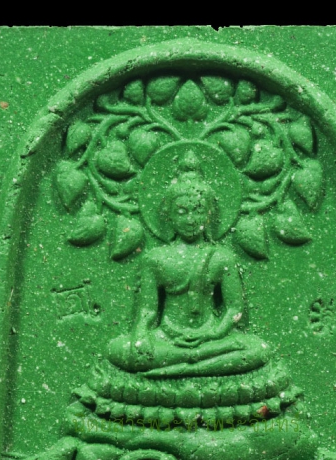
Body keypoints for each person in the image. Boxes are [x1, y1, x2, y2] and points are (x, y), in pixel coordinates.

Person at [108, 151, 269, 377]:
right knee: (119, 350)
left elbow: (234, 309)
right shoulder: (155, 259)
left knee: (257, 350)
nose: (191, 220)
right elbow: (147, 310)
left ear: (209, 214)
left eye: (198, 211)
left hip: (211, 336)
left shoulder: (221, 257)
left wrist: (213, 334)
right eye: (182, 212)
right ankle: (194, 361)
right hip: (167, 336)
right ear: (169, 215)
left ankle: (183, 363)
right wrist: (141, 334)